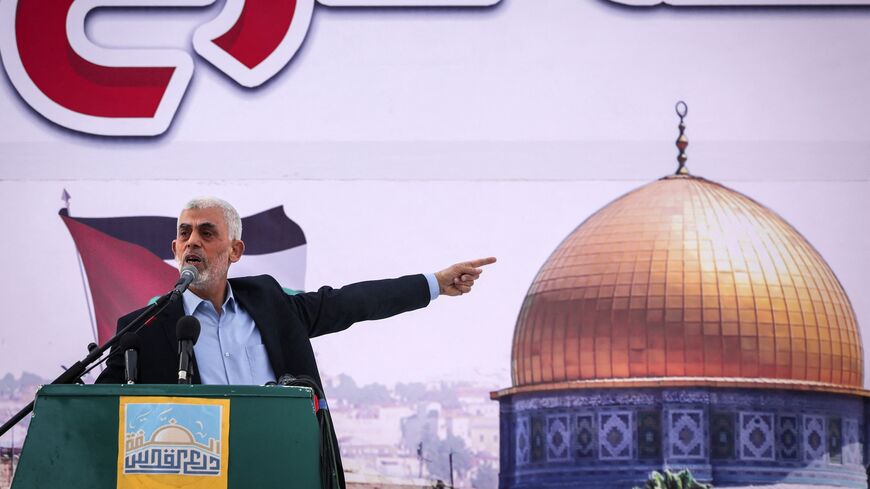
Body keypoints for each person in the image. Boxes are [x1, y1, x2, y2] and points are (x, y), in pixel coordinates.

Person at [95, 198, 495, 484]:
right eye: (185, 234)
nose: (192, 242)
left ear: (235, 250)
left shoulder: (271, 302)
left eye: (206, 232)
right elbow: (96, 416)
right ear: (174, 249)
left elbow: (350, 303)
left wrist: (434, 284)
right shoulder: (144, 327)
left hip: (285, 469)